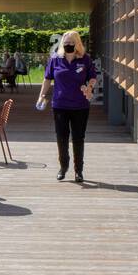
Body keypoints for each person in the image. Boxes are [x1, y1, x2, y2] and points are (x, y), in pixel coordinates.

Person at [37, 30, 97, 183]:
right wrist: (41, 95)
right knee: (61, 137)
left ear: (77, 44)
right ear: (62, 44)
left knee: (78, 138)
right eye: (66, 43)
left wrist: (89, 87)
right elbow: (47, 79)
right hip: (60, 105)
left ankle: (79, 171)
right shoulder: (55, 59)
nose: (69, 45)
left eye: (72, 43)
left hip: (80, 106)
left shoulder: (85, 59)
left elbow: (92, 77)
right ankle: (63, 167)